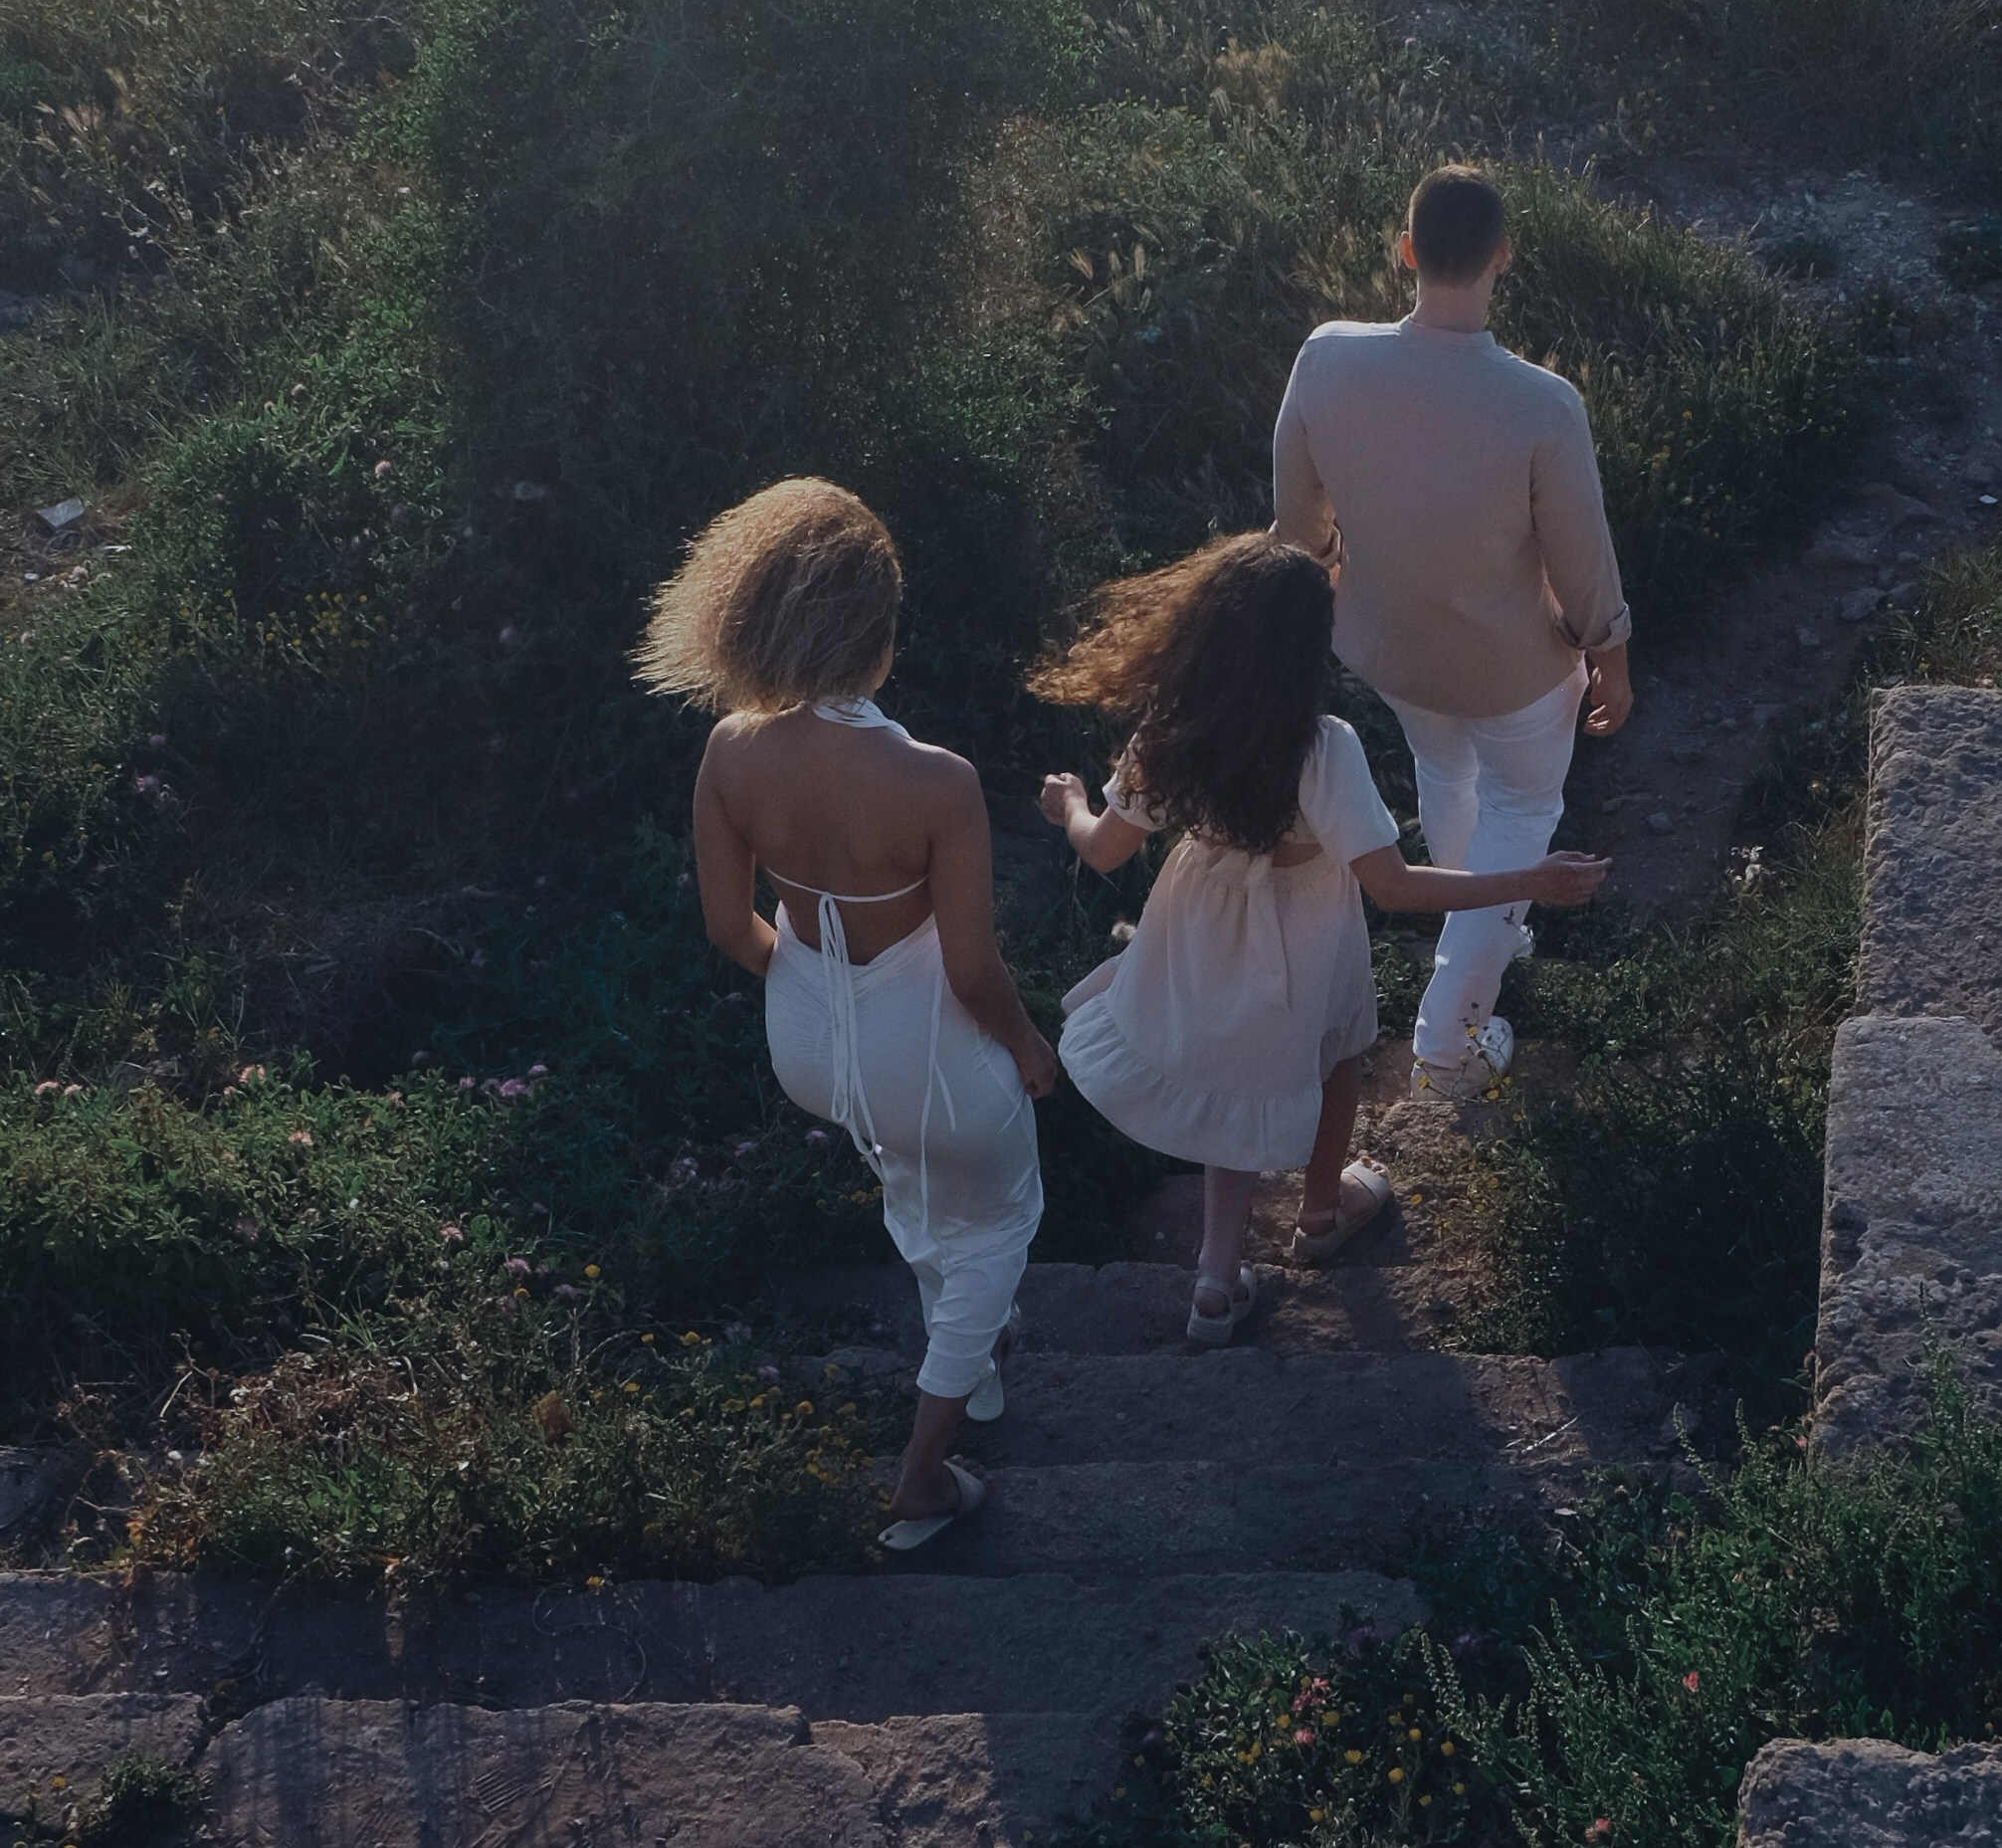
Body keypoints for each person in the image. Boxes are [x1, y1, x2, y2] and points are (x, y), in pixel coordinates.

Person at [1035, 533, 1606, 1338]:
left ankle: (1215, 1276)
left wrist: (1069, 806)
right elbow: (1395, 885)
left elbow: (1102, 850)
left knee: (1228, 1083)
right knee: (1339, 1053)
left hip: (1196, 922)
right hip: (1304, 926)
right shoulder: (1322, 746)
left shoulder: (1171, 727)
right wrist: (1528, 879)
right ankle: (1320, 1208)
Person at [646, 477, 1055, 1551]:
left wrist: (825, 996)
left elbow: (731, 930)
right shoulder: (935, 780)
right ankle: (921, 1476)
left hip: (813, 1047)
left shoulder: (729, 749)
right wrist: (1026, 1045)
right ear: (873, 626)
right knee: (996, 1227)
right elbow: (970, 969)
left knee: (920, 1190)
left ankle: (973, 1376)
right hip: (931, 1052)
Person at [1273, 163, 1634, 1102]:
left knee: (1447, 773)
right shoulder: (1543, 404)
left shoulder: (1325, 358)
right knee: (1520, 808)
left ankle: (1493, 921)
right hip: (1516, 669)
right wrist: (1612, 658)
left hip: (1391, 650)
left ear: (1406, 252)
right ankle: (1449, 1039)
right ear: (1503, 256)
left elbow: (1297, 528)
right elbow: (1584, 560)